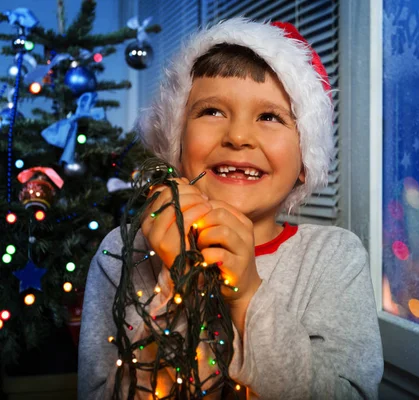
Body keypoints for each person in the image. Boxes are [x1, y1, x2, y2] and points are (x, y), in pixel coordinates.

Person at [78, 18, 383, 399]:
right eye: (212, 111)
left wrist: (247, 293)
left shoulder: (333, 258)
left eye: (270, 117)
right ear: (176, 138)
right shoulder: (122, 255)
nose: (238, 137)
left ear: (305, 159)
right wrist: (176, 284)